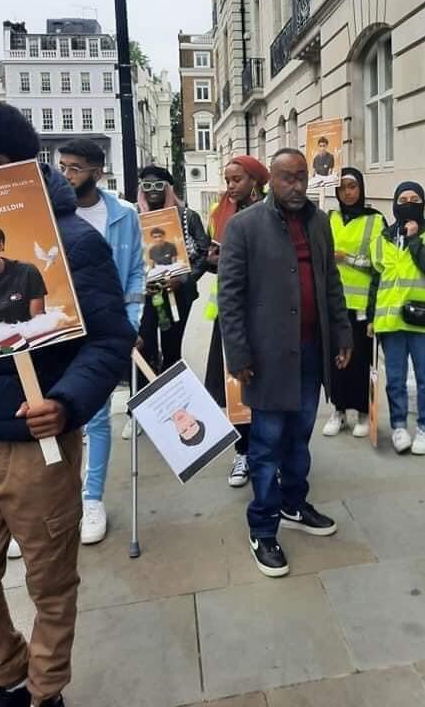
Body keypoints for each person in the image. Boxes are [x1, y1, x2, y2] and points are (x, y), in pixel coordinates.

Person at [0, 99, 135, 707]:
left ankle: (45, 690)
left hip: (39, 448)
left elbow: (111, 339)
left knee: (50, 583)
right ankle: (10, 674)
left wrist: (67, 403)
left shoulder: (73, 242)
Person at [218, 148, 352, 577]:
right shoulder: (244, 226)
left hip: (312, 351)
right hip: (267, 357)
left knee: (300, 437)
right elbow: (230, 296)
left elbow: (331, 282)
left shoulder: (319, 222)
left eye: (301, 177)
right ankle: (263, 527)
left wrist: (342, 332)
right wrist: (238, 353)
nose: (295, 186)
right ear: (270, 181)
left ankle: (294, 503)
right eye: (286, 178)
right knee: (266, 444)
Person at [58, 139, 144, 546]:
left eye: (74, 168)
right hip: (58, 327)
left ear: (97, 170)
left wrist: (130, 323)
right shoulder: (49, 212)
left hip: (103, 328)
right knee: (54, 415)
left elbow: (136, 272)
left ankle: (92, 499)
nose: (65, 175)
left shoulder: (123, 215)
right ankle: (50, 503)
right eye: (62, 166)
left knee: (96, 415)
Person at [368, 181, 425, 454]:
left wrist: (414, 239)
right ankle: (399, 426)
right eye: (403, 200)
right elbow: (376, 280)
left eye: (415, 199)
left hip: (424, 320)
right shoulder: (382, 238)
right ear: (394, 204)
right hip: (391, 321)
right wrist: (371, 317)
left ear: (423, 203)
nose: (409, 204)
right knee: (395, 379)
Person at [203, 155, 269, 487]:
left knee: (266, 384)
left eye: (237, 179)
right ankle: (242, 451)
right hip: (230, 314)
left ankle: (267, 452)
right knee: (234, 386)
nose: (230, 186)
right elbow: (211, 255)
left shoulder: (272, 213)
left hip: (264, 311)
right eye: (227, 179)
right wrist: (212, 260)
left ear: (255, 181)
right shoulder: (219, 213)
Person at [135, 165, 209, 415]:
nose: (153, 191)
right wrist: (139, 281)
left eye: (159, 185)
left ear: (168, 188)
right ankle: (143, 410)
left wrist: (183, 278)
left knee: (171, 348)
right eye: (147, 185)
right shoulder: (133, 216)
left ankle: (174, 404)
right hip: (145, 297)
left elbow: (204, 252)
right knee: (143, 348)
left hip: (177, 295)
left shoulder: (187, 216)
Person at [322, 168, 386, 438]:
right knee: (335, 359)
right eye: (342, 188)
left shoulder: (375, 220)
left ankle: (361, 411)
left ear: (361, 189)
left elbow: (379, 263)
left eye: (352, 186)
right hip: (333, 302)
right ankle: (338, 410)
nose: (347, 193)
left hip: (361, 305)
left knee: (360, 359)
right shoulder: (329, 217)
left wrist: (346, 258)